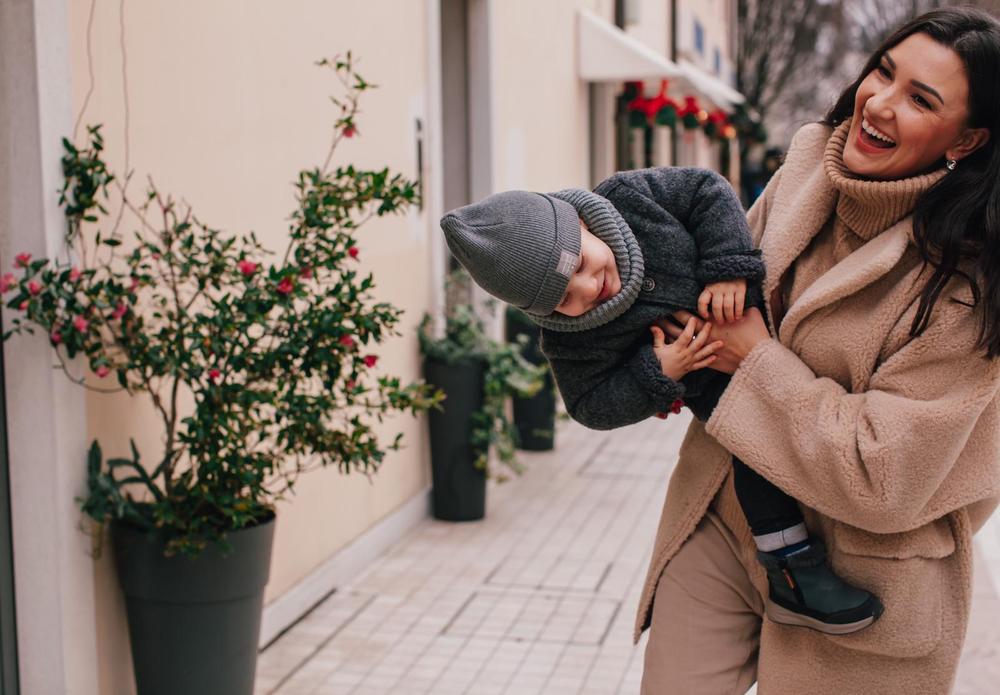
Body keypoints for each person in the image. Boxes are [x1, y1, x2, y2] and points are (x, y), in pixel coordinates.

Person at [639, 7, 1000, 694]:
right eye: (883, 72)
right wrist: (660, 365)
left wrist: (755, 361)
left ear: (967, 138)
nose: (880, 103)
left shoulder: (969, 285)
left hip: (863, 576)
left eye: (921, 100)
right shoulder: (806, 164)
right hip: (725, 510)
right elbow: (718, 297)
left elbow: (882, 476)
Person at [440, 164, 882, 634]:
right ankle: (794, 573)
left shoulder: (632, 197)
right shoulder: (572, 341)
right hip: (722, 391)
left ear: (582, 221)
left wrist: (727, 269)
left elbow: (707, 190)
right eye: (565, 299)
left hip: (773, 320)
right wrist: (657, 372)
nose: (590, 289)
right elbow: (589, 405)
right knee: (757, 466)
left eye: (582, 265)